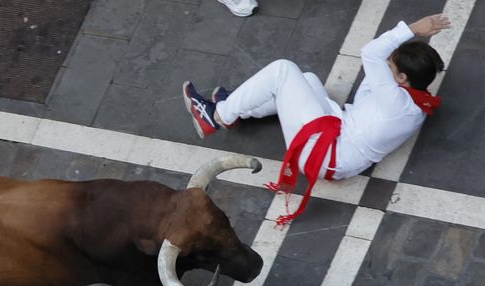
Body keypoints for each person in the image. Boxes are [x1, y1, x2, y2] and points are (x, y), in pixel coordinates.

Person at [182, 14, 449, 224]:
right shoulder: (412, 96)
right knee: (307, 80)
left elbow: (371, 53)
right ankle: (240, 105)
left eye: (390, 68)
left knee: (283, 70)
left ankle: (216, 116)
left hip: (324, 154)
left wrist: (412, 28)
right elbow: (378, 62)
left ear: (402, 79)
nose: (384, 68)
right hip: (340, 133)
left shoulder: (397, 103)